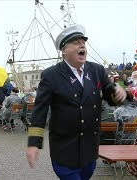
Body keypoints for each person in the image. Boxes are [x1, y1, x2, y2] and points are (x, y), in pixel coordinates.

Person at [26, 24, 127, 179]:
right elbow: (40, 111)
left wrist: (118, 92)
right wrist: (34, 143)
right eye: (75, 42)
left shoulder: (96, 70)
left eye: (83, 43)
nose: (82, 45)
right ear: (64, 50)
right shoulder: (51, 75)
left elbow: (109, 93)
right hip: (65, 150)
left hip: (90, 149)